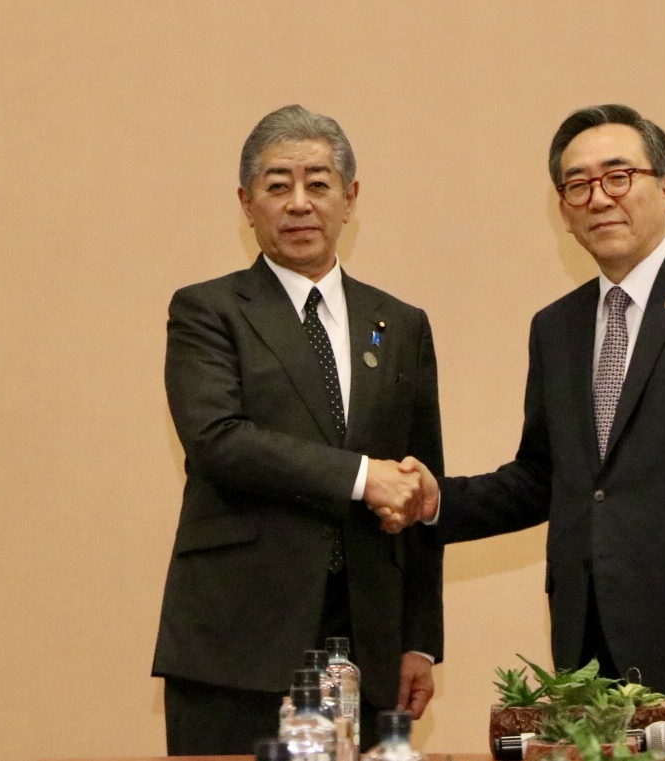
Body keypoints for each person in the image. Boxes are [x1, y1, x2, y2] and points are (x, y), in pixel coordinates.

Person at [399, 104, 665, 751]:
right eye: (578, 184)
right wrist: (435, 501)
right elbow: (542, 475)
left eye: (618, 176)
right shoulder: (556, 326)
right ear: (563, 209)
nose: (599, 197)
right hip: (588, 647)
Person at [152, 105, 444, 755]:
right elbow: (218, 437)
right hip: (237, 636)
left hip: (366, 638)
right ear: (246, 202)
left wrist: (418, 638)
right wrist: (363, 477)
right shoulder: (208, 310)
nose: (299, 203)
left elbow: (421, 489)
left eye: (318, 182)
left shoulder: (400, 323)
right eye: (277, 184)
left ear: (350, 197)